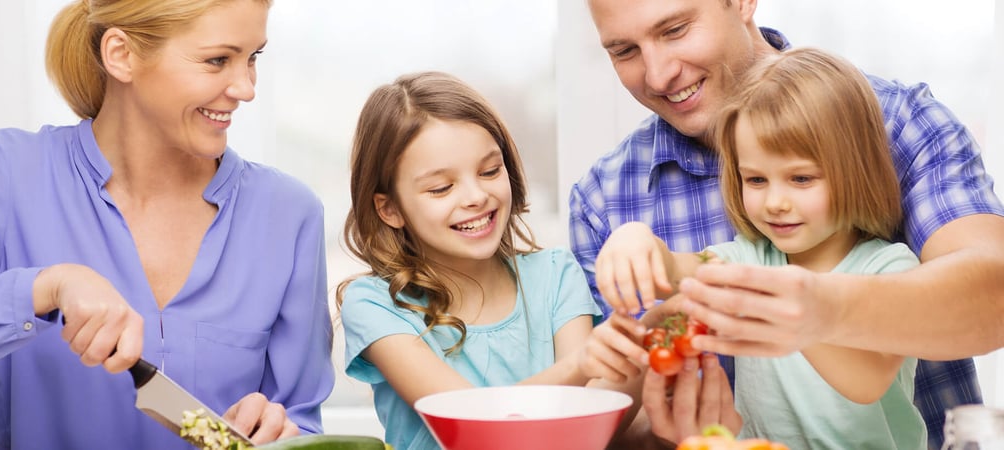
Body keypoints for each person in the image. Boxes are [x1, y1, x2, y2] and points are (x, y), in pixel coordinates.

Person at [571, 0, 1004, 448]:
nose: (658, 75)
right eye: (624, 51)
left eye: (676, 29)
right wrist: (634, 239)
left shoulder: (891, 225)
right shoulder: (615, 202)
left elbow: (986, 301)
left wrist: (814, 310)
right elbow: (679, 272)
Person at [0, 0, 334, 448]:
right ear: (121, 55)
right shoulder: (9, 175)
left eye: (253, 59)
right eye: (217, 60)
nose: (246, 88)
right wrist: (45, 288)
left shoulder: (289, 216)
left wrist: (281, 433)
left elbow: (302, 422)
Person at [588, 47, 927, 449]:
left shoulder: (891, 268)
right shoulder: (748, 259)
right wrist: (634, 238)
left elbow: (868, 380)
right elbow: (673, 270)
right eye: (756, 180)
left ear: (856, 170)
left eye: (801, 179)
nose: (774, 202)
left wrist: (785, 308)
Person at [336, 71, 607, 450]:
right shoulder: (375, 305)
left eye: (490, 171)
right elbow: (473, 426)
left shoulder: (556, 275)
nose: (476, 196)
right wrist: (583, 366)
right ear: (390, 208)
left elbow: (587, 425)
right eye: (441, 188)